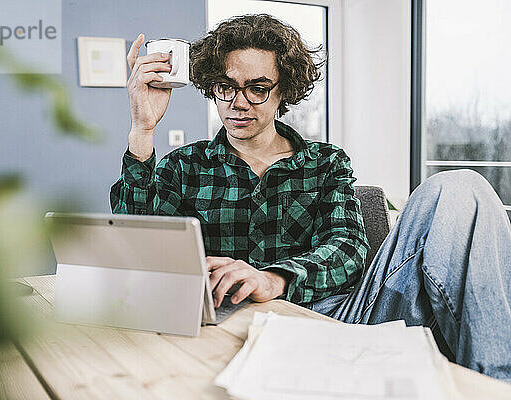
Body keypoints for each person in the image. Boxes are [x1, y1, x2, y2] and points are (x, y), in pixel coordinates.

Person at [110, 14, 511, 382]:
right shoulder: (185, 165)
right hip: (225, 324)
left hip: (331, 318)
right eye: (225, 88)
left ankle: (496, 385)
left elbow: (348, 249)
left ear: (284, 90)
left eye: (258, 88)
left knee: (462, 186)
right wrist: (142, 130)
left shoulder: (325, 162)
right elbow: (135, 246)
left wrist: (275, 278)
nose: (238, 103)